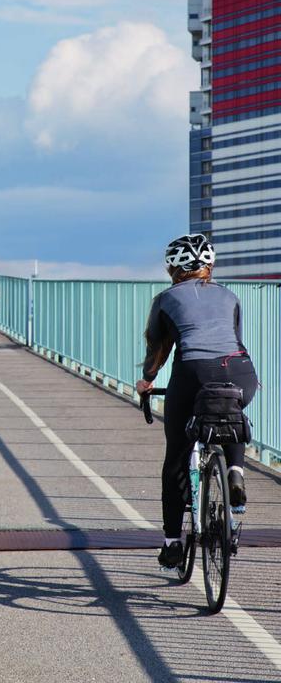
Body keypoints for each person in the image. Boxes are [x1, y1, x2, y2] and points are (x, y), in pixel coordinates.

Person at [135, 234, 258, 569]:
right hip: (241, 370)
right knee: (229, 414)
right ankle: (234, 471)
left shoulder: (165, 299)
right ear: (209, 266)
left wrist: (147, 381)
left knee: (176, 456)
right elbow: (232, 340)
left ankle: (173, 543)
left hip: (193, 373)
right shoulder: (230, 296)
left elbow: (157, 350)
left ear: (172, 268)